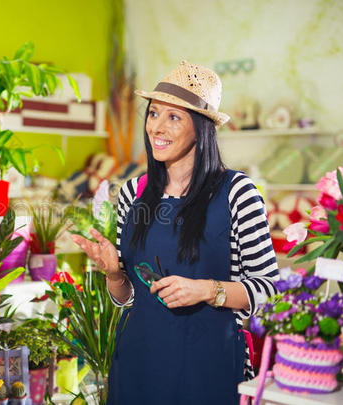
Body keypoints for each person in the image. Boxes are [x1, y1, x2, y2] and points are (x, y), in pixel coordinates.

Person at [72, 61, 279, 404]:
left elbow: (270, 292)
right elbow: (131, 298)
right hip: (138, 363)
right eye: (153, 114)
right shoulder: (133, 192)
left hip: (207, 367)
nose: (157, 127)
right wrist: (113, 275)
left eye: (174, 117)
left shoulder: (236, 192)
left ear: (201, 128)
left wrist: (205, 290)